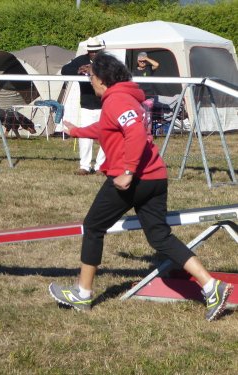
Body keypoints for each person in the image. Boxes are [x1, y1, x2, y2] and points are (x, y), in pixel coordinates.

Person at [49, 52, 233, 322]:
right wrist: (78, 131)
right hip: (155, 177)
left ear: (101, 79)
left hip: (135, 180)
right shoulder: (125, 98)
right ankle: (211, 286)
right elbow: (107, 127)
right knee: (160, 237)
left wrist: (127, 171)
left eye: (91, 77)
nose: (91, 82)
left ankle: (83, 293)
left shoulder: (117, 100)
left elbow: (134, 134)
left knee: (93, 227)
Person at [61, 37, 106, 175]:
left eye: (96, 51)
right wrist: (79, 70)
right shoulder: (81, 60)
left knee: (105, 135)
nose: (94, 53)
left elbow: (115, 74)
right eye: (91, 51)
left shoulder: (108, 61)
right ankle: (85, 166)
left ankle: (101, 166)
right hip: (87, 104)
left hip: (105, 104)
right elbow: (65, 70)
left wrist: (93, 69)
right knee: (85, 136)